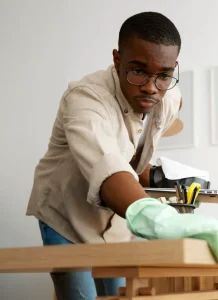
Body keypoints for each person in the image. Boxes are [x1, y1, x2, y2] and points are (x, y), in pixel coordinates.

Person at [26, 11, 182, 299]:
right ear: (117, 59)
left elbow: (131, 155)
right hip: (67, 216)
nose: (150, 86)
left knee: (121, 295)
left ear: (173, 68)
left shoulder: (169, 97)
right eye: (137, 71)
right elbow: (108, 168)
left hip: (117, 221)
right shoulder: (85, 99)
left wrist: (165, 179)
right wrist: (165, 222)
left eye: (163, 75)